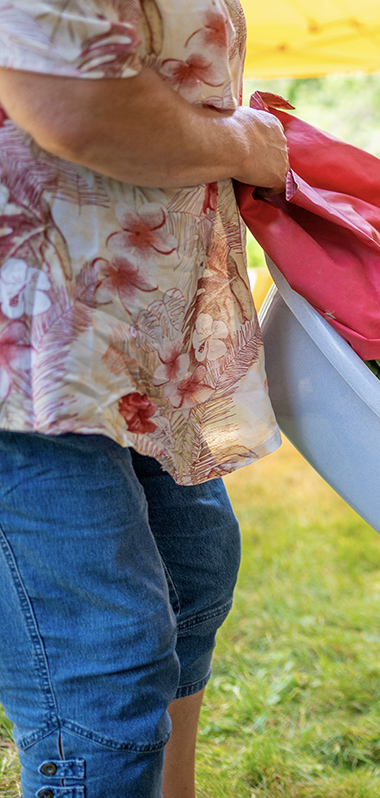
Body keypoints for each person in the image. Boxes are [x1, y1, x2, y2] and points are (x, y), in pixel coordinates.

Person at [0, 1, 287, 795]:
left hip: (132, 344)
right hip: (26, 351)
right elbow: (75, 102)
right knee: (100, 657)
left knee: (192, 572)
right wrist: (237, 143)